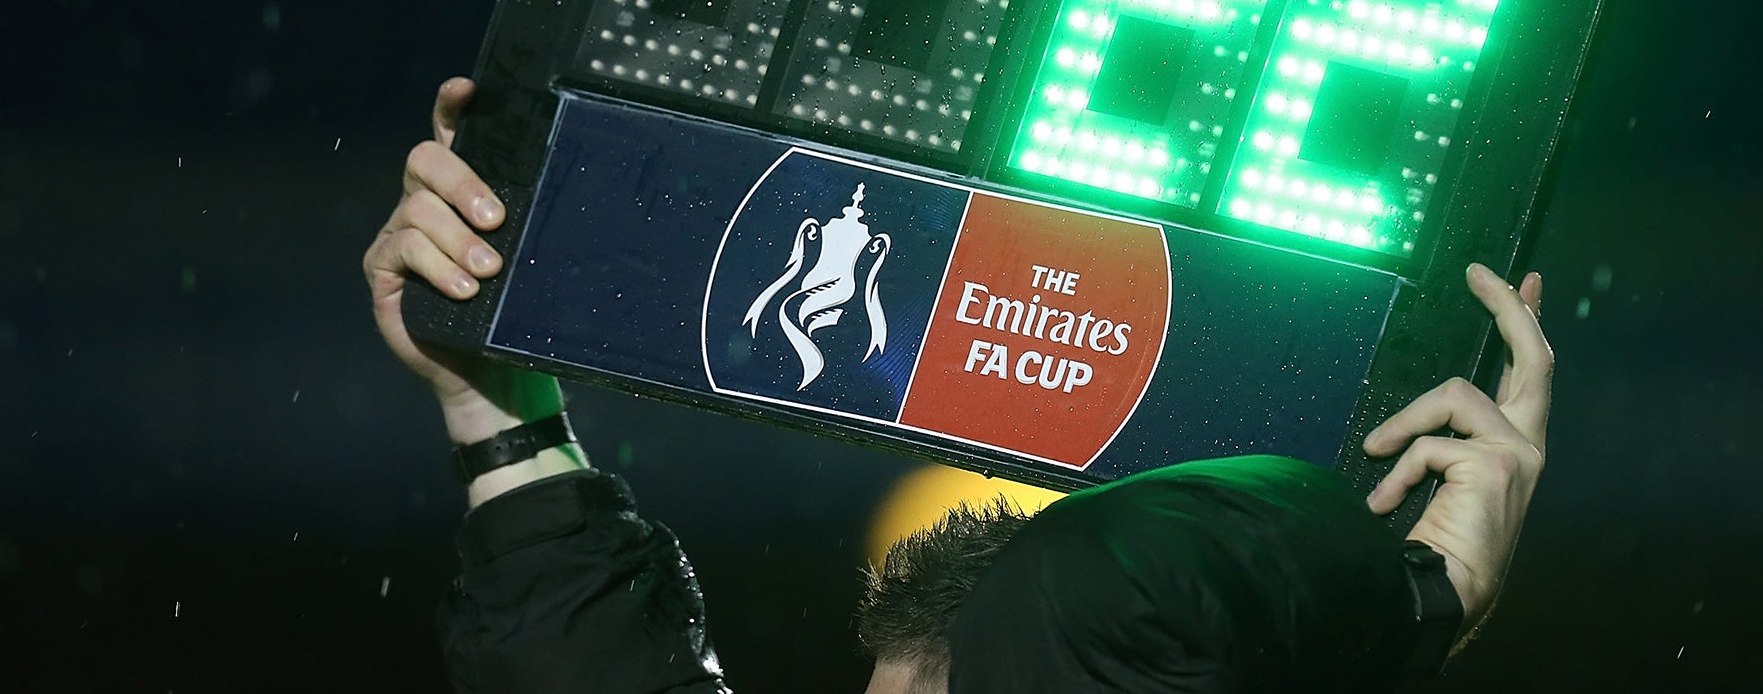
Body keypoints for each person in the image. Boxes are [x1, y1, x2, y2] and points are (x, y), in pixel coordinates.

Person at [367, 78, 1551, 692]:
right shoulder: (1085, 611)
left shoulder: (1075, 613)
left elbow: (1092, 598)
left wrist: (497, 420)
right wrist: (1411, 602)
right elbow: (1094, 596)